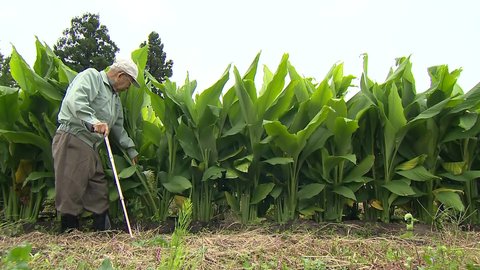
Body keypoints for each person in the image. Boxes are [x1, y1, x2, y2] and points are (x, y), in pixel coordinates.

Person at [52, 58, 140, 233]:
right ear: (121, 75)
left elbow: (117, 127)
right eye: (129, 83)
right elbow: (75, 100)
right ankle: (69, 232)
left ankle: (101, 231)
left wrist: (130, 149)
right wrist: (94, 122)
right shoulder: (92, 77)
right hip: (74, 137)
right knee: (71, 185)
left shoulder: (115, 98)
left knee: (98, 186)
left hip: (91, 146)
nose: (128, 88)